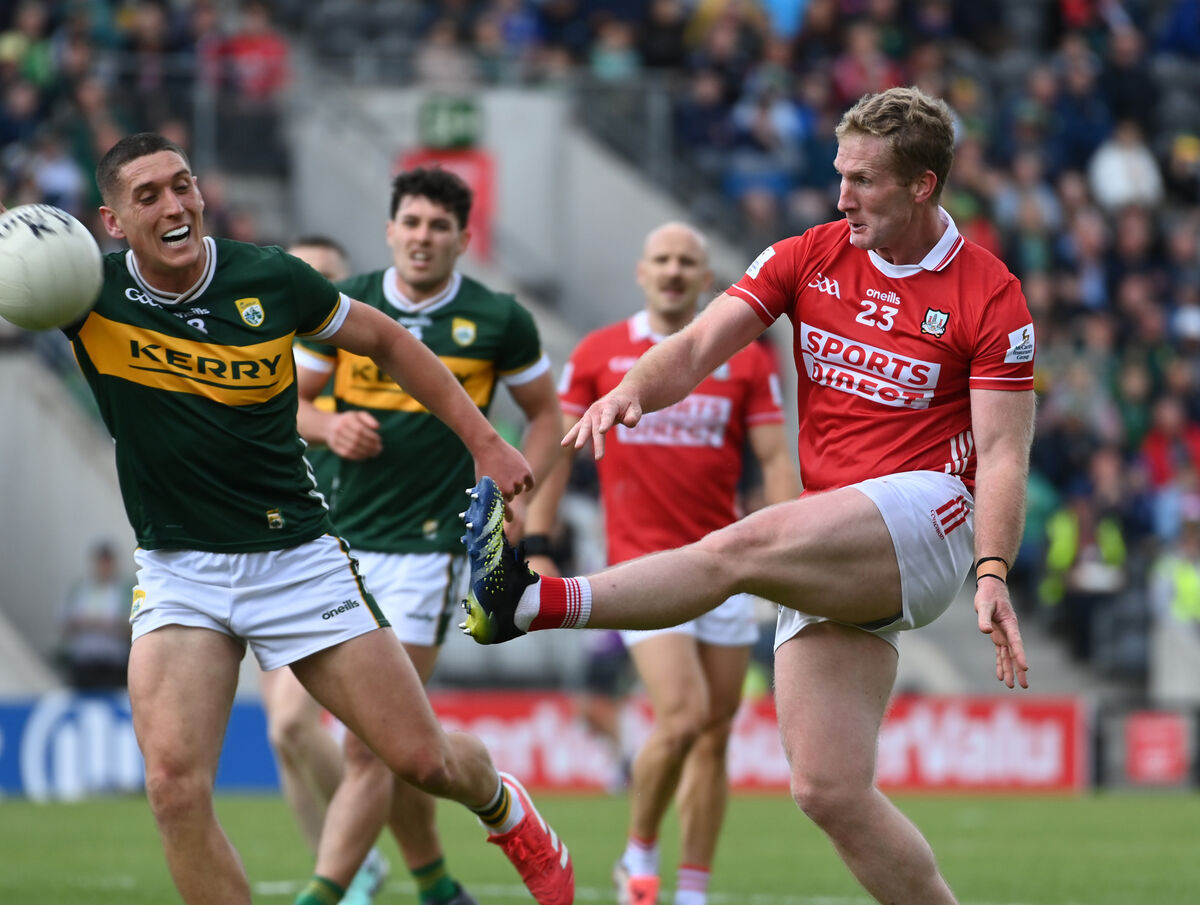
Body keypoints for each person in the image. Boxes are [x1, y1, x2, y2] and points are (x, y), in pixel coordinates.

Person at [461, 87, 1033, 905]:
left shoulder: (991, 293)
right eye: (840, 175)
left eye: (864, 180)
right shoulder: (807, 254)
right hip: (842, 539)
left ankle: (524, 602)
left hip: (931, 515)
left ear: (923, 186)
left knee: (741, 545)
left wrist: (991, 571)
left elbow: (1006, 451)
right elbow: (695, 345)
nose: (842, 196)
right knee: (828, 789)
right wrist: (631, 391)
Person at [52, 132, 573, 905]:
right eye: (149, 195)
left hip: (296, 558)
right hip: (178, 568)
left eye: (183, 184)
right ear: (113, 222)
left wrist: (488, 442)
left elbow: (389, 340)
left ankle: (503, 804)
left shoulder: (270, 277)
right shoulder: (80, 292)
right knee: (173, 788)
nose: (175, 204)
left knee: (418, 760)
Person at [290, 166, 563, 905]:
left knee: (366, 743)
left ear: (463, 239)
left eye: (439, 226)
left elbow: (544, 415)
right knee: (383, 743)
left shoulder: (499, 319)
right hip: (336, 542)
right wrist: (329, 424)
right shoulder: (348, 308)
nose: (422, 237)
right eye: (411, 222)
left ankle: (324, 894)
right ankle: (441, 881)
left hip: (432, 547)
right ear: (389, 230)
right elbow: (294, 403)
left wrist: (523, 507)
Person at [522, 221, 801, 905]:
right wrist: (535, 543)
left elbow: (770, 459)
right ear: (642, 273)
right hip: (643, 566)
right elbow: (556, 456)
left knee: (712, 735)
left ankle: (693, 891)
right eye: (663, 260)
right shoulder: (599, 353)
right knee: (680, 716)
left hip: (726, 567)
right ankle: (639, 859)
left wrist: (794, 545)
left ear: (709, 281)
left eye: (689, 262)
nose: (675, 271)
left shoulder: (749, 362)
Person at [256, 235, 391, 905]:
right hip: (260, 556)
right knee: (285, 739)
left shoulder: (358, 358)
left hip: (347, 556)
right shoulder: (249, 361)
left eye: (327, 278)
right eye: (299, 274)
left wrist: (334, 424)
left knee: (290, 725)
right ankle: (346, 863)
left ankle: (349, 860)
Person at [56, 540, 133, 690]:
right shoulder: (79, 589)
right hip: (84, 662)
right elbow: (63, 621)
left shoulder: (125, 590)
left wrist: (106, 625)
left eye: (107, 563)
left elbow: (132, 625)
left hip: (114, 662)